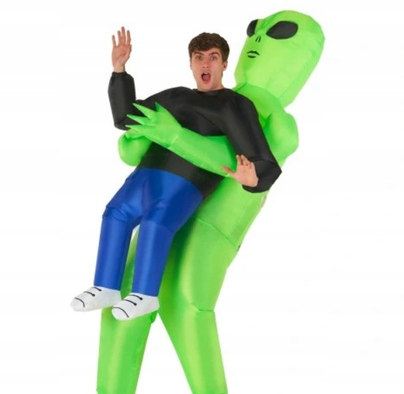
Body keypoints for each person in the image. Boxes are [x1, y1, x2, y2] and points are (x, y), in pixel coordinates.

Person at [70, 27, 281, 321]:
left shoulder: (233, 104)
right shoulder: (175, 96)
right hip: (146, 173)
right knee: (115, 213)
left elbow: (261, 155)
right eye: (199, 57)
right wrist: (119, 70)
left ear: (224, 64)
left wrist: (254, 180)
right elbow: (126, 118)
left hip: (187, 181)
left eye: (213, 57)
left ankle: (145, 295)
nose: (205, 63)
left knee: (156, 222)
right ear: (191, 63)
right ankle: (105, 287)